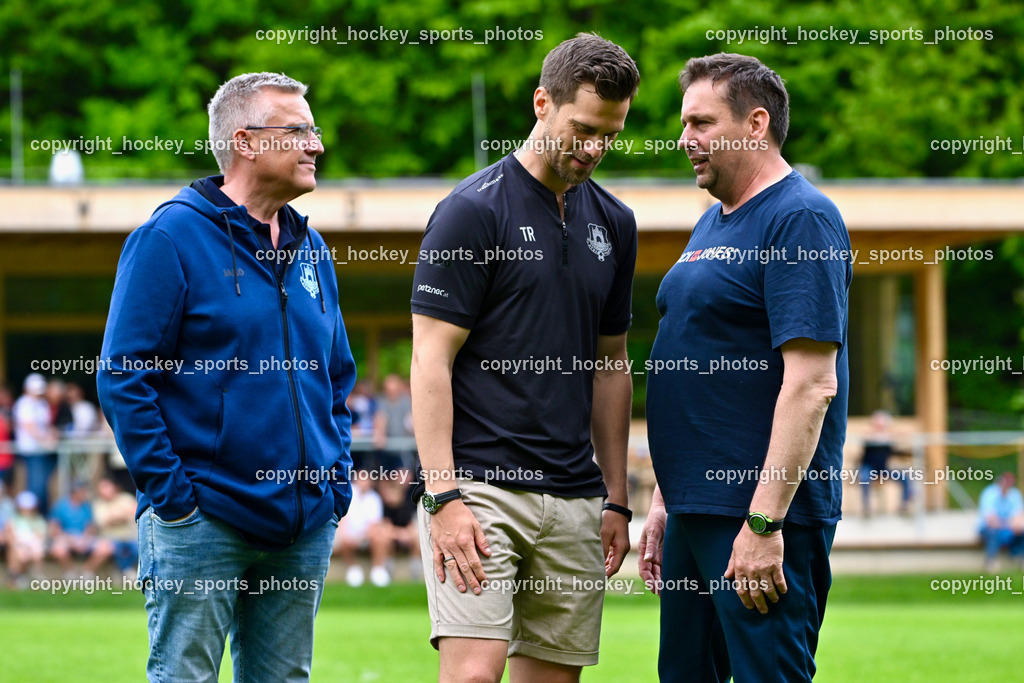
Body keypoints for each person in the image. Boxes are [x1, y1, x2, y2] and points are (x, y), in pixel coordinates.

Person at [97, 71, 357, 682]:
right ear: (246, 142)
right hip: (202, 520)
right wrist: (176, 501)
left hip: (303, 522)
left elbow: (337, 379)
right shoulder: (169, 237)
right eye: (298, 130)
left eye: (313, 129)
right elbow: (122, 378)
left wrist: (334, 482)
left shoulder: (312, 249)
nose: (316, 144)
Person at [410, 33, 640, 683]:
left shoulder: (616, 223)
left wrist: (617, 498)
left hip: (575, 498)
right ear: (543, 103)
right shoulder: (471, 211)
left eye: (610, 135)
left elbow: (611, 363)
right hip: (480, 488)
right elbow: (430, 358)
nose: (595, 148)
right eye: (583, 129)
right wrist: (443, 495)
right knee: (473, 675)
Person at [639, 53, 851, 683]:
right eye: (684, 124)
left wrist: (764, 521)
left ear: (756, 124)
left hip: (756, 514)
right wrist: (663, 500)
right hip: (693, 508)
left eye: (702, 123)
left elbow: (812, 384)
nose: (685, 140)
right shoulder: (711, 222)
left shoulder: (801, 217)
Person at [13, 373, 59, 514]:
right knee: (36, 487)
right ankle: (35, 515)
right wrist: (46, 441)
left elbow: (44, 426)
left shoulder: (42, 404)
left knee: (42, 486)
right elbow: (30, 427)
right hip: (31, 451)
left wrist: (52, 434)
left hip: (42, 451)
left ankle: (41, 515)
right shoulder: (23, 404)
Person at [49, 483, 113, 578]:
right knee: (57, 550)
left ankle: (87, 571)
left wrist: (85, 539)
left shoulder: (86, 507)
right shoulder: (60, 506)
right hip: (66, 537)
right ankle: (70, 573)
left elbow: (90, 527)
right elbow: (54, 528)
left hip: (83, 538)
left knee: (106, 548)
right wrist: (68, 539)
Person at [332, 473, 385, 586]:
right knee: (344, 540)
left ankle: (378, 570)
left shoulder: (374, 498)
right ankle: (353, 569)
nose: (364, 482)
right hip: (349, 534)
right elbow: (343, 520)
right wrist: (347, 535)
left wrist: (361, 538)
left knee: (380, 539)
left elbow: (374, 524)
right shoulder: (347, 494)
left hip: (366, 536)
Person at [858, 410, 912, 516]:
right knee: (863, 478)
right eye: (878, 424)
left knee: (905, 478)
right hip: (869, 468)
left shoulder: (889, 437)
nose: (880, 427)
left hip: (884, 469)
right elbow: (865, 444)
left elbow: (896, 450)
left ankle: (904, 506)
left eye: (882, 425)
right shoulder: (868, 436)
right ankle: (866, 508)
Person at [93, 477, 141, 579]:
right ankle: (126, 571)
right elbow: (103, 522)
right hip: (111, 538)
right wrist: (122, 515)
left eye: (106, 487)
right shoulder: (98, 504)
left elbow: (136, 513)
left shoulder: (126, 498)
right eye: (101, 488)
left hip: (130, 536)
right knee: (114, 548)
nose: (104, 491)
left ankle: (125, 571)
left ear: (114, 487)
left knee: (138, 549)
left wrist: (115, 517)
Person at [977, 472, 1024, 572]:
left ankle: (1018, 558)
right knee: (993, 531)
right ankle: (991, 561)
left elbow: (1018, 517)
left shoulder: (1015, 494)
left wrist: (1015, 524)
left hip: (1007, 528)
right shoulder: (989, 493)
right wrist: (1010, 524)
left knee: (1021, 531)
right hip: (988, 528)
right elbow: (991, 520)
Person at [4, 491, 48, 589]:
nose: (27, 510)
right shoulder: (13, 520)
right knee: (17, 552)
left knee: (35, 551)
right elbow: (10, 535)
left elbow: (40, 535)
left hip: (32, 547)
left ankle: (37, 574)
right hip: (18, 547)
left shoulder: (38, 520)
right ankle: (16, 577)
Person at [373, 374, 415, 471]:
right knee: (385, 477)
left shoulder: (406, 402)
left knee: (404, 476)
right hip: (387, 449)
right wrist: (380, 434)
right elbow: (381, 418)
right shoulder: (381, 402)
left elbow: (410, 421)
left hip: (404, 450)